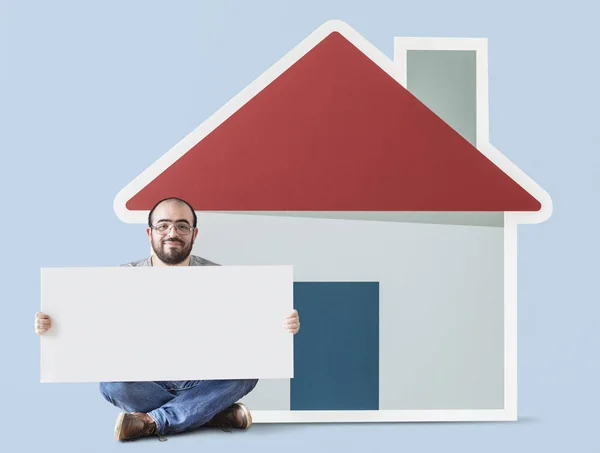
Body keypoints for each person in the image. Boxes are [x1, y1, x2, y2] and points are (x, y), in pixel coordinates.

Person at [35, 197, 300, 442]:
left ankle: (153, 420)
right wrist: (54, 326)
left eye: (182, 226)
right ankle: (209, 412)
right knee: (111, 384)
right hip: (145, 383)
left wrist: (281, 326)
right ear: (150, 233)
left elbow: (248, 330)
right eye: (163, 226)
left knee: (247, 371)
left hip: (203, 378)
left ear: (194, 234)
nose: (172, 233)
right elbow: (90, 328)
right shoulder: (121, 278)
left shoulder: (219, 277)